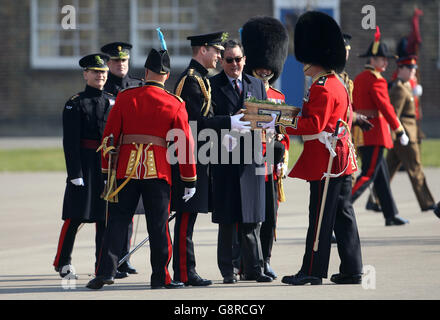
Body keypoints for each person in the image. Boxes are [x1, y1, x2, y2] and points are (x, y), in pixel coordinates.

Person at [86, 44, 197, 290]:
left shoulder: (125, 98)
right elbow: (184, 144)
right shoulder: (175, 103)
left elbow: (109, 138)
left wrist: (107, 173)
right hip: (158, 172)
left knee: (117, 222)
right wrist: (189, 179)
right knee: (158, 228)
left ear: (146, 72)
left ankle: (105, 272)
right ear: (167, 76)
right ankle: (160, 277)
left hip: (125, 170)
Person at [265, 11, 363, 285]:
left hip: (326, 161)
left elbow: (313, 125)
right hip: (341, 158)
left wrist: (280, 121)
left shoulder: (321, 88)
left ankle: (312, 270)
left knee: (319, 218)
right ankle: (352, 269)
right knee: (343, 215)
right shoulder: (338, 84)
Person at [210, 39, 272, 284]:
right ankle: (228, 270)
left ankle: (254, 269)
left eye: (238, 59)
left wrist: (270, 123)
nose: (234, 64)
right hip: (225, 157)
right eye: (229, 60)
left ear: (245, 60)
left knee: (251, 218)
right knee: (227, 218)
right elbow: (205, 120)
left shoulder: (256, 84)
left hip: (251, 157)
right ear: (222, 62)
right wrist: (229, 121)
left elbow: (266, 116)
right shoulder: (212, 85)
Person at [171, 32, 231, 286]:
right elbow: (194, 124)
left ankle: (187, 270)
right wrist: (230, 122)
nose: (220, 56)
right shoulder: (190, 81)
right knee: (186, 216)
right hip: (189, 159)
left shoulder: (201, 79)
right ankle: (185, 272)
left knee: (191, 216)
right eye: (216, 51)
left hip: (201, 157)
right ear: (203, 50)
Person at [53, 53, 115, 279]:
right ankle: (63, 261)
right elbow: (70, 143)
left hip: (106, 165)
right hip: (84, 165)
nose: (100, 75)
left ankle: (102, 266)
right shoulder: (75, 103)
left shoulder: (113, 100)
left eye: (103, 72)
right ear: (85, 74)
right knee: (75, 216)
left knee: (104, 218)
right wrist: (75, 174)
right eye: (95, 72)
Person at [240, 16, 290, 280]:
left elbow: (283, 133)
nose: (264, 71)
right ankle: (247, 261)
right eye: (260, 67)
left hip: (271, 164)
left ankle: (266, 258)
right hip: (249, 159)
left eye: (268, 67)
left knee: (270, 217)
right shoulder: (245, 93)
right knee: (249, 216)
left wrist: (283, 151)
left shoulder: (279, 98)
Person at [351, 26, 410, 226]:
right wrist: (399, 129)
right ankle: (344, 203)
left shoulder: (359, 78)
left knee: (381, 175)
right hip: (375, 133)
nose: (385, 62)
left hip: (363, 131)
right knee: (368, 173)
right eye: (382, 59)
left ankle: (390, 214)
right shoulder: (377, 80)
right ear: (373, 60)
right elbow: (385, 107)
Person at [100, 42, 145, 276]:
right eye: (116, 61)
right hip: (111, 155)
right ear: (108, 64)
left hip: (131, 154)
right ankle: (108, 261)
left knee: (128, 211)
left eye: (124, 61)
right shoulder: (102, 88)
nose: (120, 64)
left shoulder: (138, 86)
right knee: (112, 213)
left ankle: (124, 258)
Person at [386, 56, 438, 213]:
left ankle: (375, 199)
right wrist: (398, 134)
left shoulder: (407, 86)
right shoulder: (399, 88)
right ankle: (428, 202)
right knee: (416, 169)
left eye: (414, 69)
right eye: (410, 68)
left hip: (409, 133)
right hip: (406, 136)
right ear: (400, 69)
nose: (413, 71)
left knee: (388, 170)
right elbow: (394, 114)